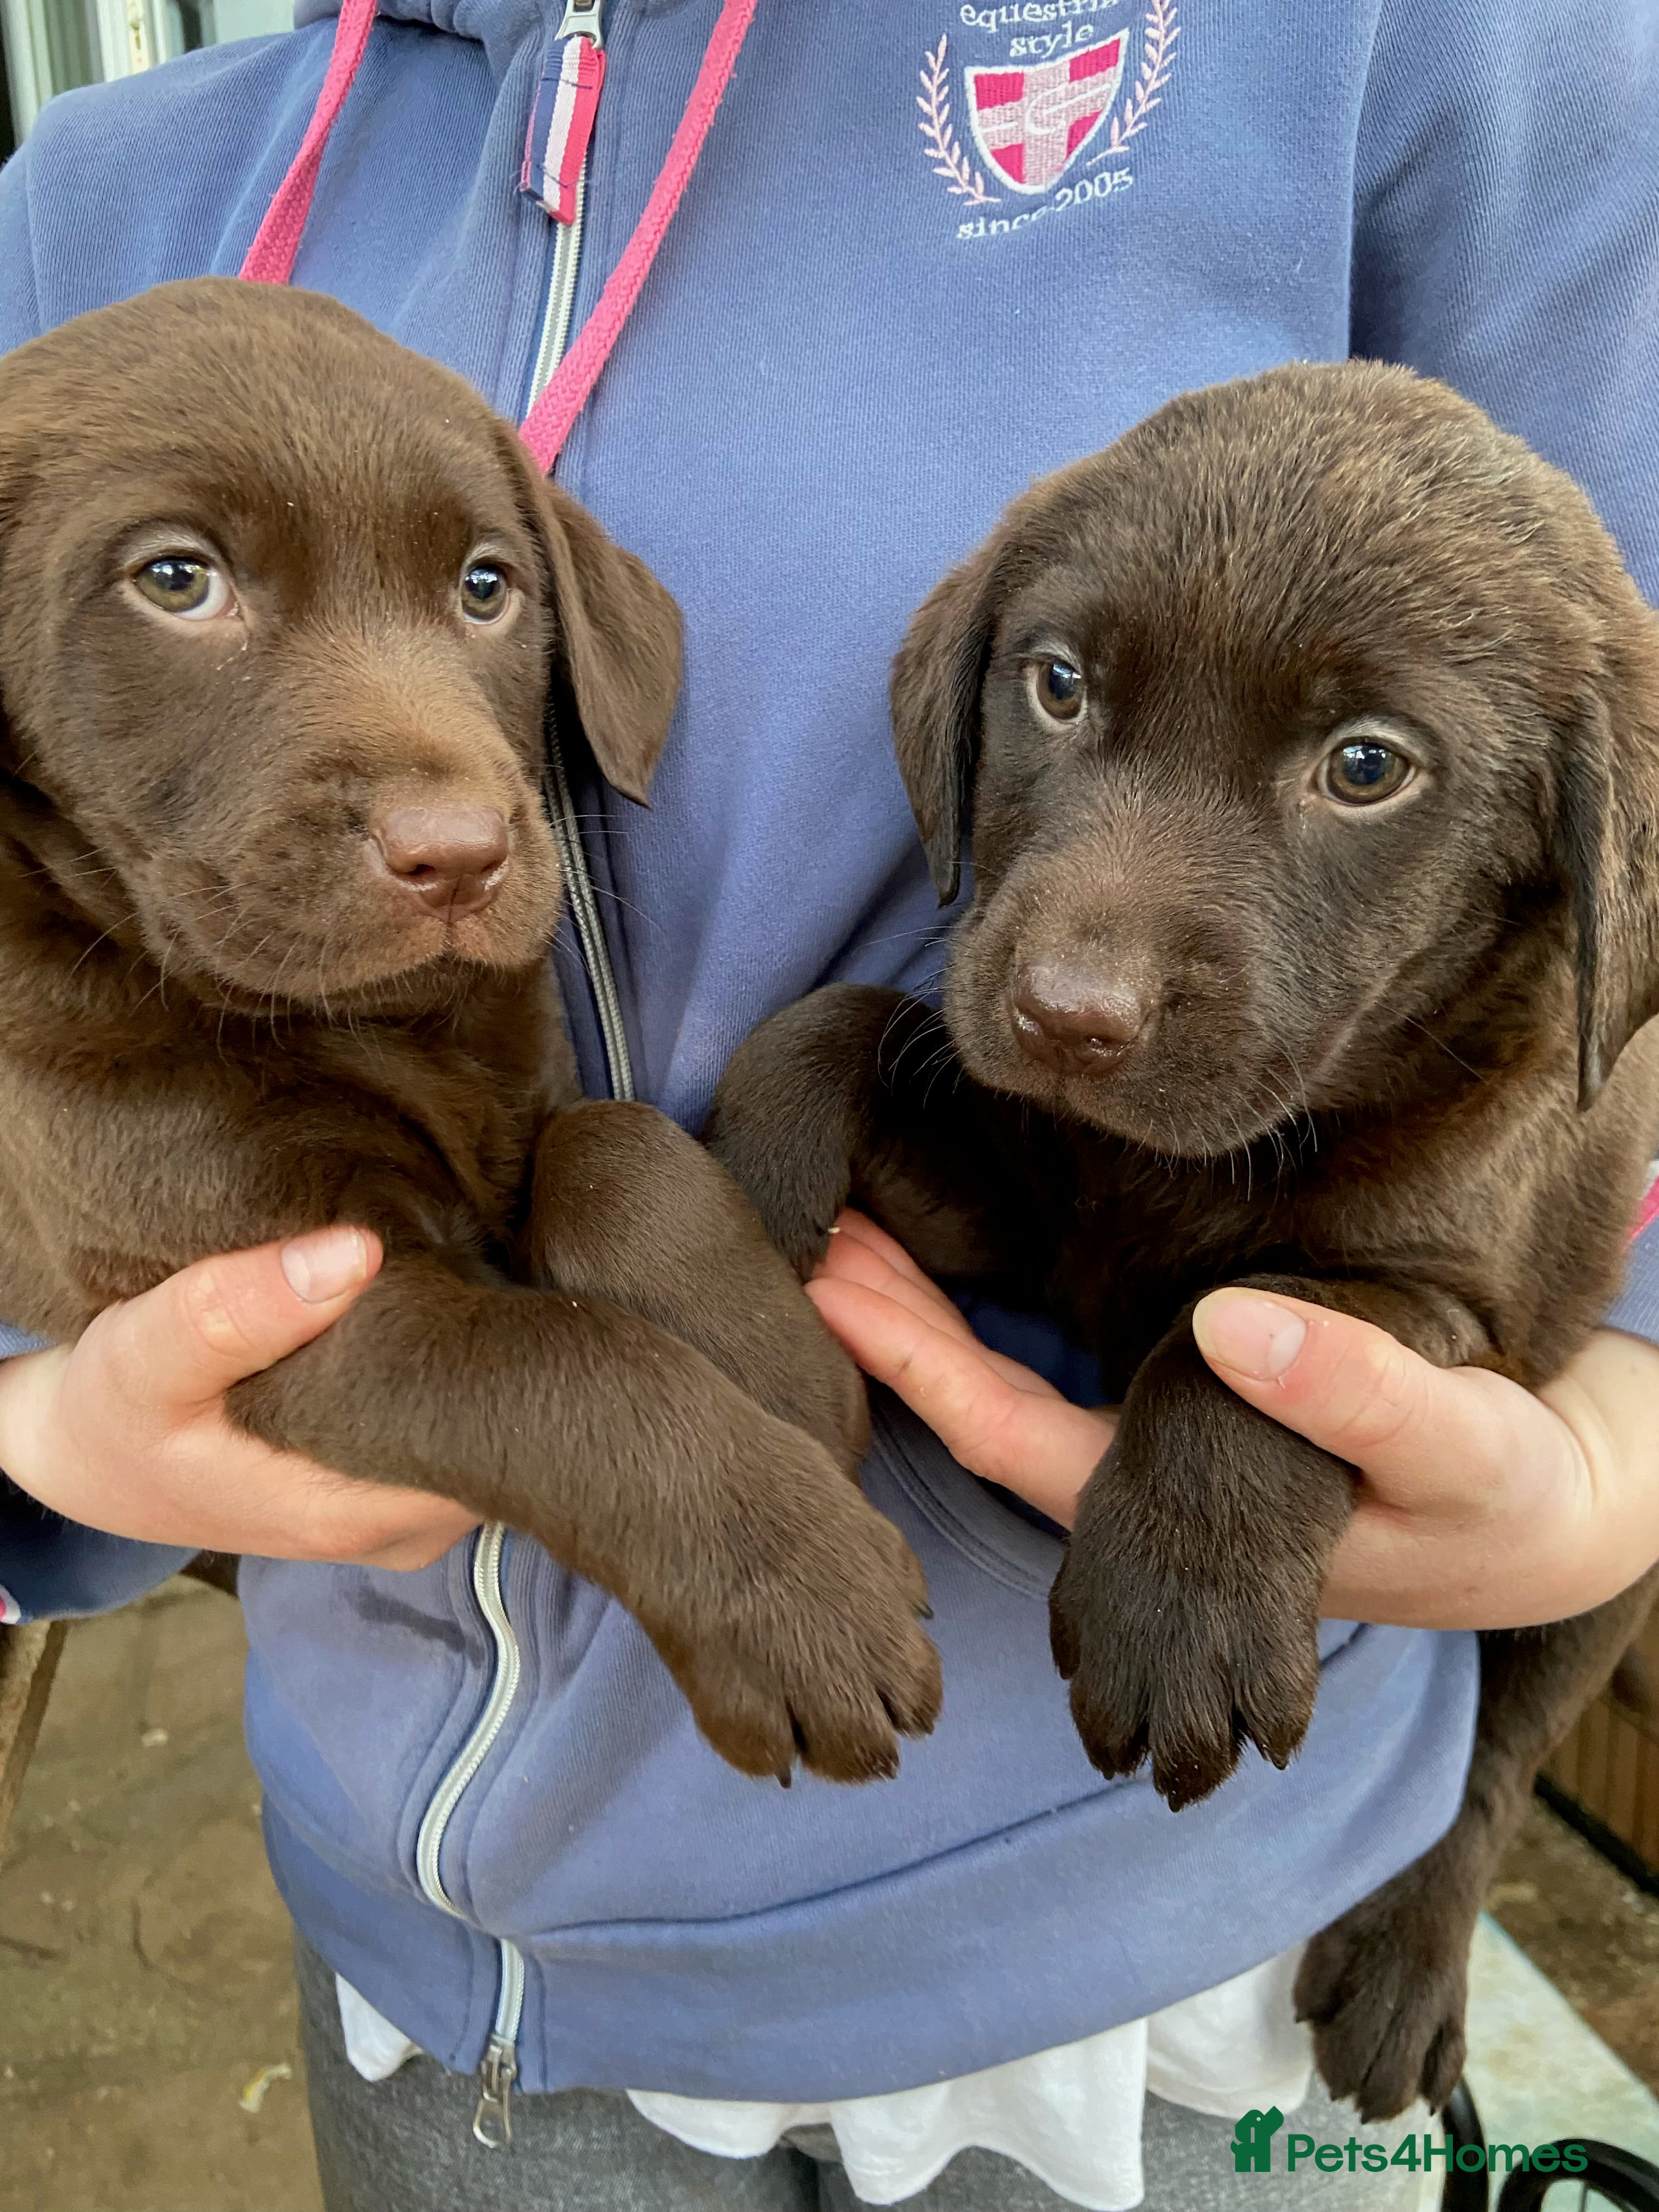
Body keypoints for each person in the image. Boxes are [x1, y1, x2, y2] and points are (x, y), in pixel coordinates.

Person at [2, 2, 1658, 2204]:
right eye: (181, 582)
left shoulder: (1413, 37)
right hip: (441, 1958)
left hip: (1168, 1902)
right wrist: (30, 1417)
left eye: (488, 589)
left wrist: (1630, 1428)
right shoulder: (106, 191)